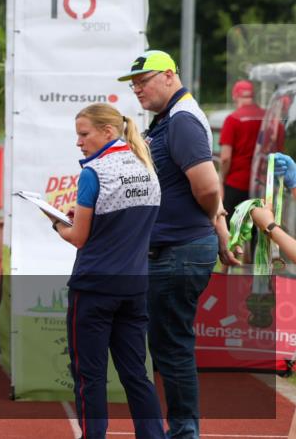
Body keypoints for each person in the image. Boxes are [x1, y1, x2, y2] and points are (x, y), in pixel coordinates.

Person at [119, 50, 239, 439]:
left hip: (178, 251)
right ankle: (181, 429)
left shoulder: (182, 119)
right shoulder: (171, 118)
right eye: (133, 83)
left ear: (170, 76)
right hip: (176, 248)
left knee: (171, 348)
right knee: (169, 346)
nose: (137, 88)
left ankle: (185, 432)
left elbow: (206, 185)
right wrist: (217, 224)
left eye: (144, 80)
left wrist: (214, 219)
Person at [47, 104, 165, 439]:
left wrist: (56, 222)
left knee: (90, 376)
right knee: (136, 374)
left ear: (108, 132)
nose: (79, 142)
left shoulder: (94, 172)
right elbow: (134, 223)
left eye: (84, 134)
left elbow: (79, 237)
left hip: (95, 287)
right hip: (134, 286)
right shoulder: (146, 167)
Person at [220, 80, 265, 218]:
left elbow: (225, 157)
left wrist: (221, 179)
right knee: (258, 229)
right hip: (261, 185)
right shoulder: (268, 118)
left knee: (232, 230)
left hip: (236, 184)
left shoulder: (232, 119)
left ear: (235, 96)